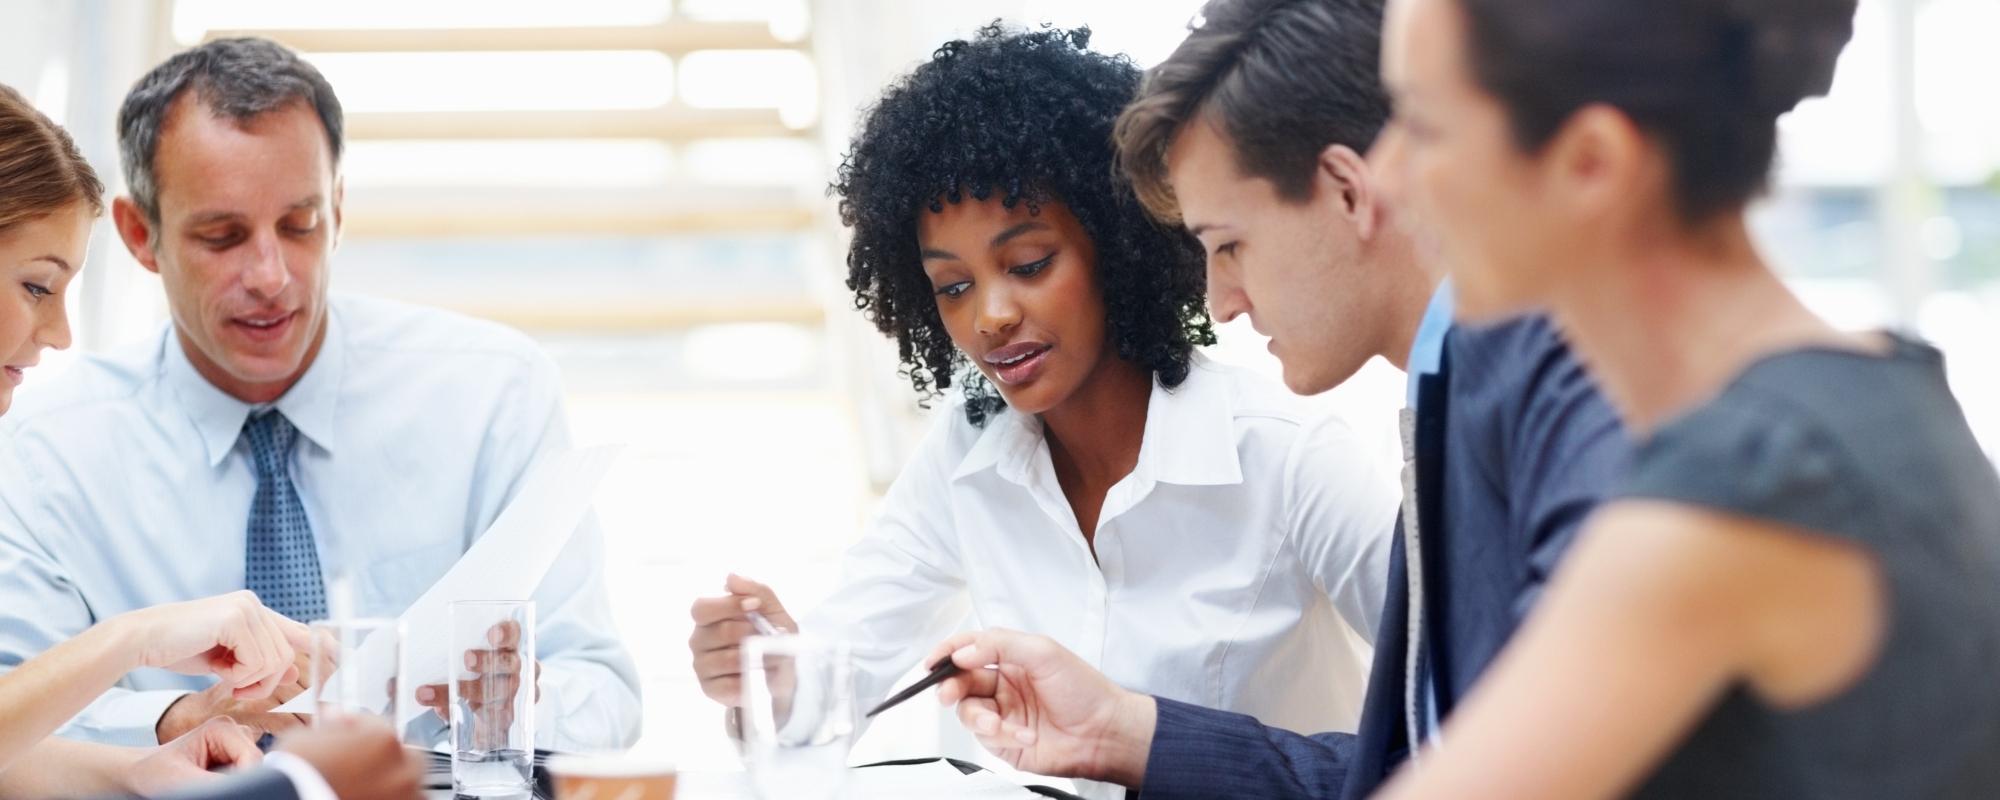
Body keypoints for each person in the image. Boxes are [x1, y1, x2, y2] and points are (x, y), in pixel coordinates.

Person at [907, 0, 1629, 795]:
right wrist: (1126, 729)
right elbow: (1429, 765)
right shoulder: (1455, 411)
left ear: (1349, 191)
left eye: (1229, 246)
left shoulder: (1560, 418)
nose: (1220, 301)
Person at [687, 22, 1398, 774]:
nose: (989, 315)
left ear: (1116, 241)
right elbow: (838, 679)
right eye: (953, 287)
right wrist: (771, 676)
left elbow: (1463, 712)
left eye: (1028, 263)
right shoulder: (970, 448)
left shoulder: (1286, 456)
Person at [1362, 0, 2000, 795]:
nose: (1382, 179)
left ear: (1590, 163)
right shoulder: (1884, 400)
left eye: (1421, 127)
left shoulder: (1746, 488)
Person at [0, 37, 639, 752]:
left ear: (337, 208)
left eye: (300, 225)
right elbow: (12, 712)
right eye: (222, 236)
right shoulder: (43, 445)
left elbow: (606, 700)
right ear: (139, 235)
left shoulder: (494, 395)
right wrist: (172, 720)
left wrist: (522, 700)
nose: (270, 275)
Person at [0, 81, 421, 800]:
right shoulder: (48, 447)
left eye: (300, 224)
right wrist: (135, 640)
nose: (61, 334)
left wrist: (142, 778)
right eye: (38, 287)